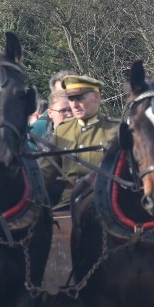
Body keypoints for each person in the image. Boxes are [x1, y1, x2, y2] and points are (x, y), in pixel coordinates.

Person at [39, 74, 118, 210]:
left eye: (80, 98)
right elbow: (46, 173)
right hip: (69, 204)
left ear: (96, 97)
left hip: (107, 204)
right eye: (71, 98)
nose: (74, 105)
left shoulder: (117, 130)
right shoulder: (62, 131)